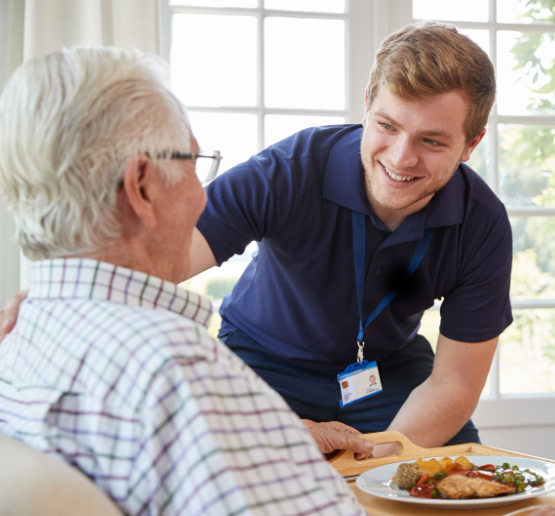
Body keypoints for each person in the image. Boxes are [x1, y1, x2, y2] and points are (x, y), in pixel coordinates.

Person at [0, 46, 365, 515]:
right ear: (144, 186)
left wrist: (265, 437)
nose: (202, 198)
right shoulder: (175, 367)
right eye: (194, 163)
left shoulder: (16, 339)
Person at [186, 20, 513, 450]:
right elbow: (148, 262)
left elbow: (453, 383)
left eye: (431, 141)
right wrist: (274, 435)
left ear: (471, 144)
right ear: (367, 106)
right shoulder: (286, 172)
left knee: (450, 489)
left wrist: (373, 461)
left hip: (387, 374)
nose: (401, 158)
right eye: (388, 126)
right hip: (261, 364)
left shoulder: (483, 223)